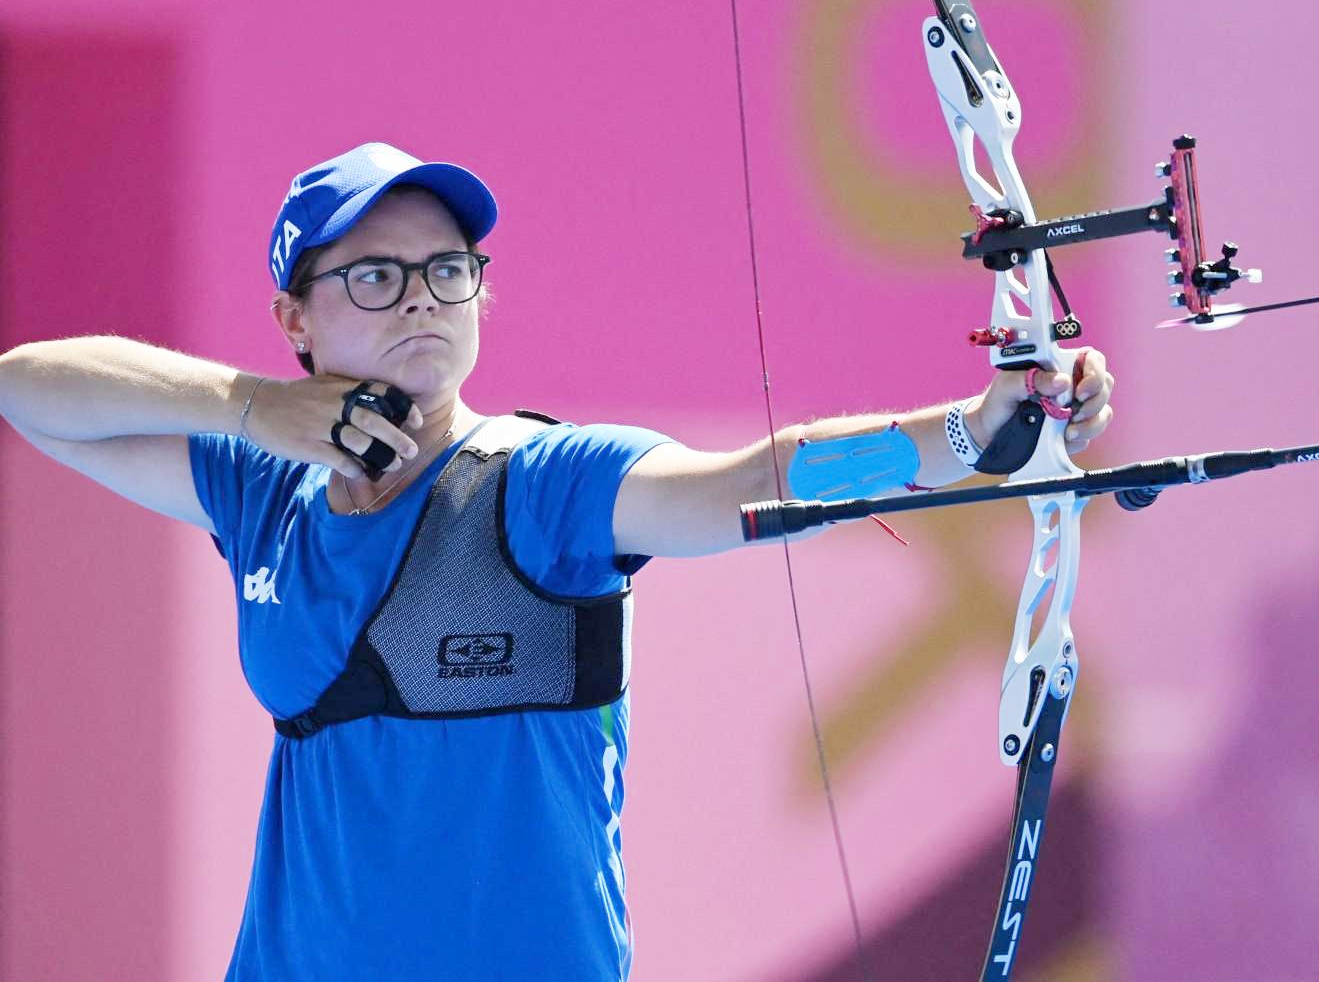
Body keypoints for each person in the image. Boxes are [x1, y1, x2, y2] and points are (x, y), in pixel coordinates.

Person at [0, 141, 1116, 980]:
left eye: (448, 270)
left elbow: (748, 483)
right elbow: (28, 389)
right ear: (296, 319)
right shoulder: (261, 494)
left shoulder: (541, 484)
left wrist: (972, 432)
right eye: (376, 278)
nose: (424, 299)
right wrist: (251, 408)